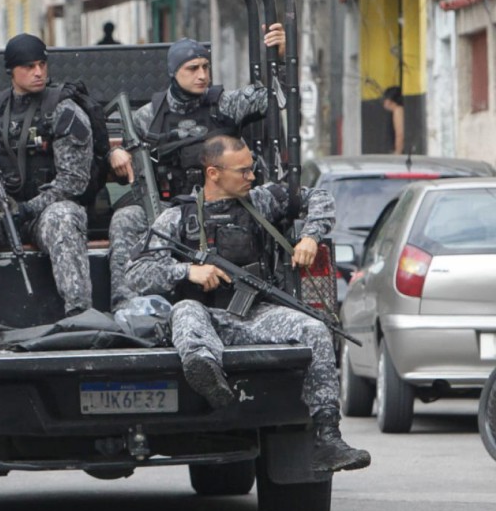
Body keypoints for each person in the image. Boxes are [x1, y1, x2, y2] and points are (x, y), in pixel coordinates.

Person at [126, 135, 370, 473]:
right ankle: (210, 381)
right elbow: (135, 274)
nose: (252, 176)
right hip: (203, 318)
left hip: (254, 315)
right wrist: (188, 271)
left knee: (314, 329)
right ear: (213, 173)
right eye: (242, 171)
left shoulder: (262, 202)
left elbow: (320, 198)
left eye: (252, 169)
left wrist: (311, 236)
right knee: (184, 310)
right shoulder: (177, 219)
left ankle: (327, 438)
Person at [106, 24, 286, 311]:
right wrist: (114, 152)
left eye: (205, 66)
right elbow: (124, 153)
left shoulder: (225, 104)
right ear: (174, 72)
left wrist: (279, 59)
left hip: (223, 208)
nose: (202, 75)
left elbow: (274, 99)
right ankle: (127, 308)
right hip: (168, 210)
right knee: (126, 219)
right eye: (192, 68)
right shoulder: (148, 117)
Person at [0, 33, 103, 322]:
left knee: (65, 216)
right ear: (11, 71)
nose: (38, 72)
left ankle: (79, 315)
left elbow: (73, 181)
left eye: (42, 65)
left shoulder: (63, 109)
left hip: (43, 215)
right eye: (29, 67)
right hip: (1, 213)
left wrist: (28, 209)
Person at [382, 86, 405, 154]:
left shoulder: (398, 110)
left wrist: (398, 152)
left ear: (389, 100)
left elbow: (400, 134)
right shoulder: (398, 110)